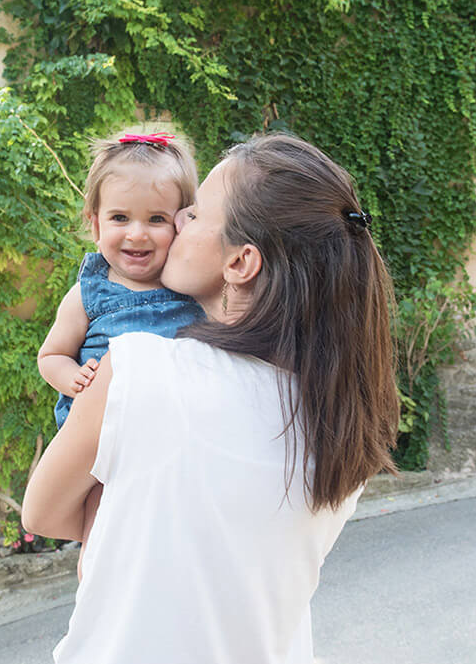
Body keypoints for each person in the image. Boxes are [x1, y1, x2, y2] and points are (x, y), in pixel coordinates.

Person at [22, 134, 400, 664]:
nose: (176, 223)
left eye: (193, 215)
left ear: (241, 262)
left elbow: (40, 512)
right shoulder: (340, 420)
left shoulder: (139, 372)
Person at [37, 130, 204, 430]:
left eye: (156, 219)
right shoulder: (89, 294)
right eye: (120, 218)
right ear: (95, 223)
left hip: (172, 434)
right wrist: (72, 378)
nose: (137, 234)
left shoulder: (191, 287)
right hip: (98, 437)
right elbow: (51, 355)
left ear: (182, 223)